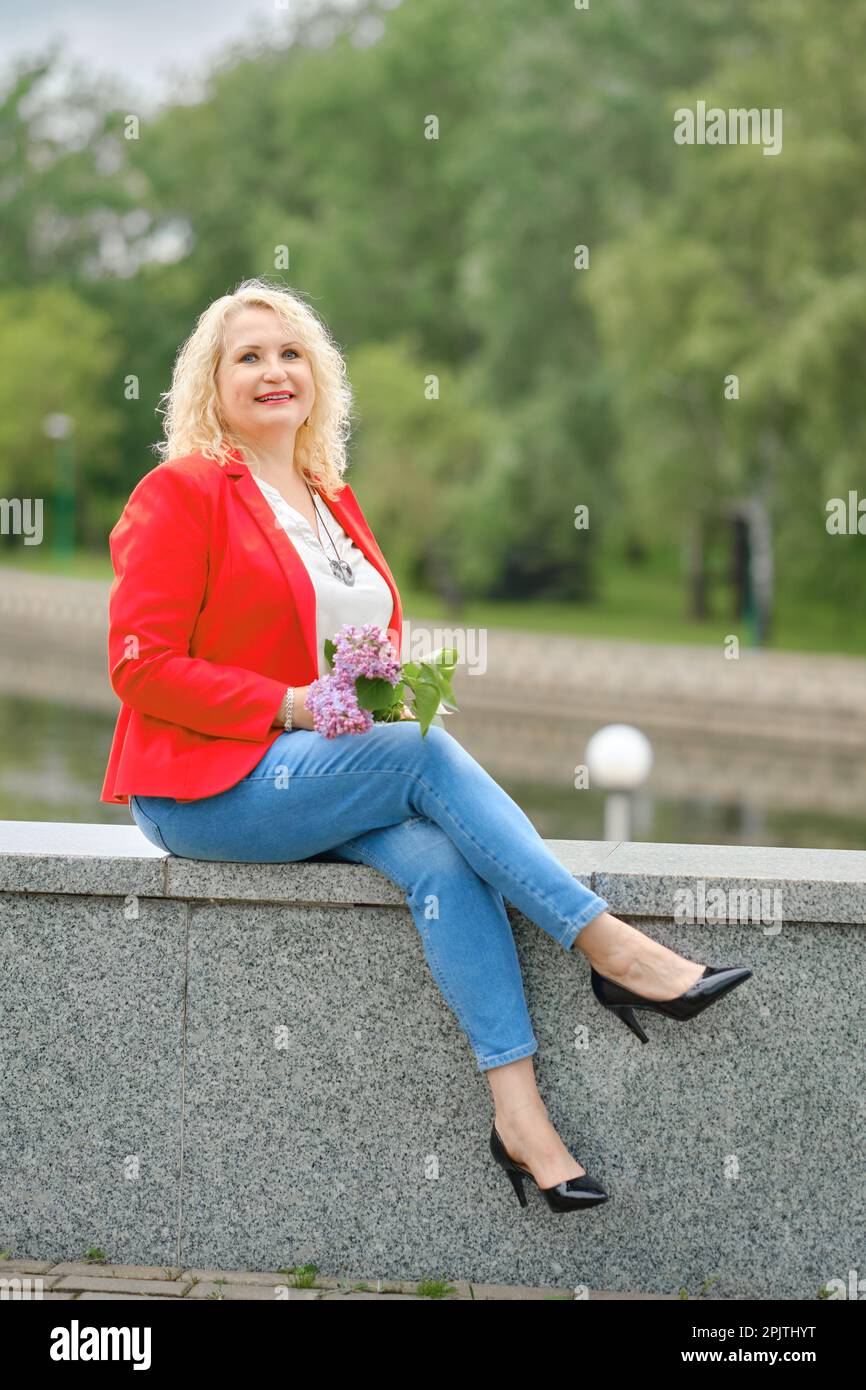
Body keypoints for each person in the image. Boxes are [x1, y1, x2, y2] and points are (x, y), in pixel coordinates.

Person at [100, 276, 752, 1214]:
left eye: (291, 354)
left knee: (445, 858)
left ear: (318, 377)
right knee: (421, 755)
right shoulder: (182, 491)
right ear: (211, 382)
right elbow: (140, 664)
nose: (273, 371)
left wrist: (378, 691)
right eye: (248, 356)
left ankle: (520, 1122)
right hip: (207, 784)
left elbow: (344, 653)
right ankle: (614, 951)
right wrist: (290, 705)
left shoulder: (330, 500)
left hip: (311, 773)